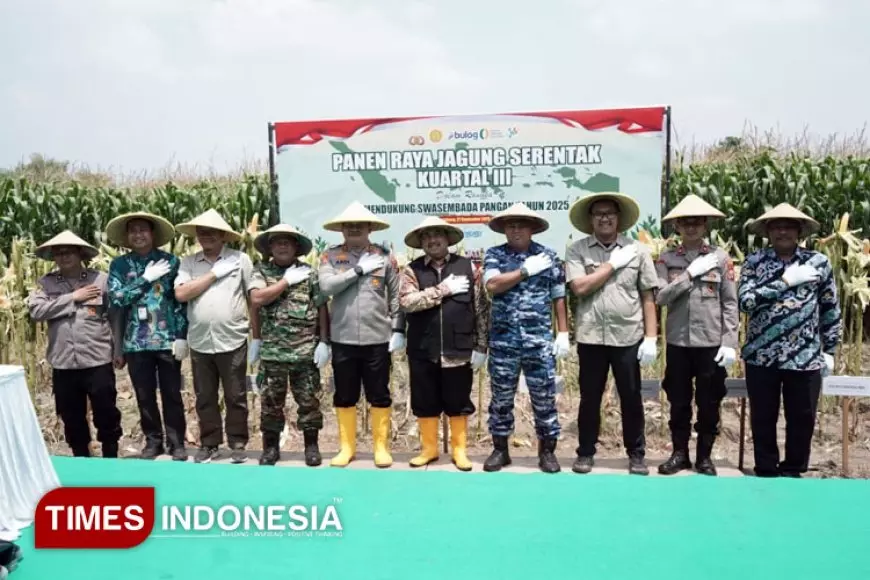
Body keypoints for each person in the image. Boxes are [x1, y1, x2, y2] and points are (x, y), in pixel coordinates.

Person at [738, 203, 841, 478]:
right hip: (762, 354)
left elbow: (830, 307)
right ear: (768, 231)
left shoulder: (818, 262)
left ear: (799, 230)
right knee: (763, 417)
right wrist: (784, 281)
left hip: (805, 355)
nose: (782, 231)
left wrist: (830, 348)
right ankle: (766, 468)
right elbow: (746, 302)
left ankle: (794, 468)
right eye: (776, 226)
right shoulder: (754, 262)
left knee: (802, 418)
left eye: (788, 226)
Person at [564, 192, 659, 475]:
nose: (604, 218)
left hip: (628, 335)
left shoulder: (638, 250)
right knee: (589, 397)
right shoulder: (578, 250)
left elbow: (648, 296)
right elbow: (579, 287)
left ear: (618, 218)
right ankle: (585, 452)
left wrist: (652, 337)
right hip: (591, 336)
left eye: (610, 213)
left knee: (631, 396)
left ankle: (637, 454)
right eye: (598, 213)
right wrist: (612, 265)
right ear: (591, 219)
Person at [482, 202, 570, 474]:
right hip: (503, 341)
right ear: (504, 229)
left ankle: (547, 452)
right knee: (501, 399)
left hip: (539, 340)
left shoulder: (549, 256)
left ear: (533, 228)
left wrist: (564, 332)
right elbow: (492, 286)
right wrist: (524, 271)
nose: (516, 229)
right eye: (511, 225)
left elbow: (558, 295)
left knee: (544, 396)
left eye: (521, 224)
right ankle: (500, 450)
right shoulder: (495, 254)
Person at [654, 195, 739, 476]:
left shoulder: (721, 258)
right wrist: (689, 275)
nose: (691, 227)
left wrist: (729, 342)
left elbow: (729, 302)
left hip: (711, 343)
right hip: (678, 342)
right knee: (678, 400)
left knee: (709, 401)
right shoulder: (666, 259)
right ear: (677, 226)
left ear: (705, 225)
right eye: (685, 223)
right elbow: (661, 297)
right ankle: (680, 453)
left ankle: (704, 456)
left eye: (697, 222)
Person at [317, 201, 406, 468]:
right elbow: (327, 286)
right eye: (349, 225)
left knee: (379, 393)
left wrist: (398, 329)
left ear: (370, 228)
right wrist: (357, 271)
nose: (354, 228)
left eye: (360, 225)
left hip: (377, 338)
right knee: (345, 394)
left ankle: (381, 447)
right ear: (341, 230)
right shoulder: (329, 257)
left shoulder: (384, 256)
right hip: (342, 338)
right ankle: (347, 448)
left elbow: (397, 296)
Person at [398, 216, 490, 471]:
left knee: (458, 400)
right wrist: (442, 290)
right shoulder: (412, 269)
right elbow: (406, 302)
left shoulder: (468, 268)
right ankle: (429, 449)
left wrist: (482, 346)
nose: (432, 240)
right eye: (426, 236)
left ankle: (460, 451)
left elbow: (481, 309)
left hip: (458, 348)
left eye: (437, 234)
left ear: (448, 239)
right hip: (422, 348)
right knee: (424, 400)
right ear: (421, 243)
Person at [27, 231, 122, 458]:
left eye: (68, 251)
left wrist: (118, 349)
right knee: (71, 415)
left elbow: (116, 315)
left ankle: (111, 457)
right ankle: (82, 459)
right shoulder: (46, 283)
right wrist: (72, 297)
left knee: (106, 412)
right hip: (63, 362)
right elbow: (37, 311)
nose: (63, 256)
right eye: (58, 253)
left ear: (80, 253)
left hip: (97, 357)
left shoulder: (100, 280)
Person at [106, 212, 189, 461]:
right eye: (133, 230)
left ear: (152, 234)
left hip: (166, 339)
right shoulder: (119, 265)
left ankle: (177, 443)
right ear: (127, 236)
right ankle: (153, 442)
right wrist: (144, 279)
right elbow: (117, 298)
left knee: (172, 393)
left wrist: (181, 336)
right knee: (144, 395)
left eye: (143, 230)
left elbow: (179, 303)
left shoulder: (172, 262)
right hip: (135, 342)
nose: (138, 235)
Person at [173, 209, 254, 464]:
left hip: (233, 337)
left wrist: (256, 334)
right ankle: (209, 443)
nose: (206, 236)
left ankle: (238, 442)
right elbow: (182, 294)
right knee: (205, 396)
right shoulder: (188, 263)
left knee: (236, 395)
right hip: (200, 339)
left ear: (222, 235)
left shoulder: (241, 260)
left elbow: (251, 296)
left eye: (212, 232)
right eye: (202, 232)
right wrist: (214, 274)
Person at [248, 224, 331, 467]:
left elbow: (322, 306)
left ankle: (311, 447)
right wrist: (256, 338)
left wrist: (324, 342)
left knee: (309, 403)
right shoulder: (260, 271)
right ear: (270, 247)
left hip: (305, 352)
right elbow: (256, 299)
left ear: (296, 247)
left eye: (288, 241)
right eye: (277, 241)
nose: (282, 245)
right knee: (271, 404)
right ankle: (271, 448)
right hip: (272, 352)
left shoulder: (309, 273)